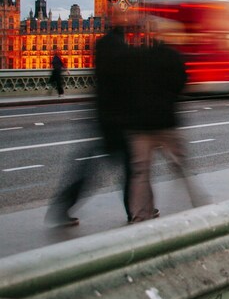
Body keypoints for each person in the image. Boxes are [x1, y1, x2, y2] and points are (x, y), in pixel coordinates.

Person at [47, 23, 133, 226]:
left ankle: (63, 205)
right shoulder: (119, 48)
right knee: (130, 167)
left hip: (102, 114)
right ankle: (134, 209)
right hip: (115, 117)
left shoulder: (103, 44)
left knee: (94, 167)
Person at [125, 21, 205, 222]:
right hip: (166, 121)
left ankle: (142, 214)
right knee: (181, 165)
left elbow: (130, 86)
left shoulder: (140, 57)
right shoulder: (174, 57)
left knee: (141, 172)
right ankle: (199, 204)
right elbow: (182, 85)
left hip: (141, 124)